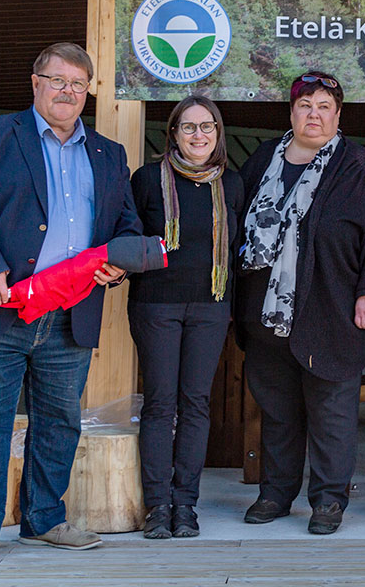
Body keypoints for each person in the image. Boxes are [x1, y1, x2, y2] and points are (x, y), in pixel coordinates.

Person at [0, 42, 141, 563]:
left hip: (72, 313)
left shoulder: (109, 153)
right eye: (57, 80)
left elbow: (126, 226)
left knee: (59, 421)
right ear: (35, 83)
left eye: (78, 83)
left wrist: (118, 263)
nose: (67, 91)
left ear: (88, 91)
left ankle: (44, 520)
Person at [236, 71, 365, 535]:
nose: (314, 114)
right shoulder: (265, 158)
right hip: (265, 308)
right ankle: (275, 492)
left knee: (331, 409)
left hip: (332, 306)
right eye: (305, 105)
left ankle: (328, 500)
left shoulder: (357, 165)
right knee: (278, 407)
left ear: (338, 114)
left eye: (324, 106)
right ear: (291, 112)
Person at [127, 96, 244, 539]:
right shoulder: (146, 180)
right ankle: (157, 505)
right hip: (156, 305)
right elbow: (130, 239)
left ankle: (185, 504)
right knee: (160, 404)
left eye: (207, 127)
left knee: (196, 404)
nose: (199, 135)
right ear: (173, 133)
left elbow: (237, 250)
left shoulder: (231, 184)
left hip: (210, 306)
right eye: (189, 127)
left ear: (218, 134)